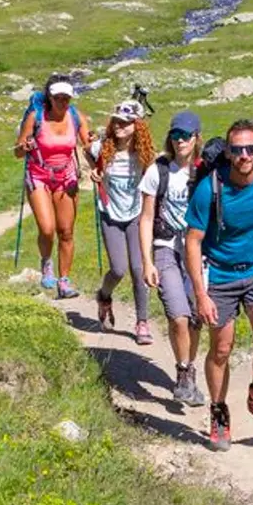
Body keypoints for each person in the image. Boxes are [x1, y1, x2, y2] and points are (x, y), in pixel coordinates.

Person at [183, 119, 253, 452]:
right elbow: (192, 241)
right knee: (221, 349)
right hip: (220, 276)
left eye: (251, 149)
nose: (244, 155)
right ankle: (218, 412)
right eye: (237, 150)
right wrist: (200, 294)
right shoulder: (210, 189)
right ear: (229, 153)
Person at [139, 109, 207, 406]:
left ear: (196, 138)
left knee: (195, 318)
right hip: (166, 246)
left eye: (186, 136)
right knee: (177, 315)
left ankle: (190, 369)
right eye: (175, 135)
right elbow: (145, 218)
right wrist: (147, 261)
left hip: (200, 252)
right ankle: (182, 371)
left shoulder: (206, 172)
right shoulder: (158, 170)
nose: (180, 141)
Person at [14, 74, 91, 299]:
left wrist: (95, 145)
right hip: (38, 175)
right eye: (58, 97)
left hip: (66, 177)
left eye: (66, 97)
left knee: (66, 231)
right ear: (50, 96)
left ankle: (64, 280)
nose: (63, 102)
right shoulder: (35, 117)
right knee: (47, 229)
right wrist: (24, 147)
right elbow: (17, 152)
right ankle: (46, 264)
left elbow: (87, 144)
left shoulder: (76, 116)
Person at [88, 100, 154, 345]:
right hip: (110, 213)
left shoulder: (144, 153)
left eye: (126, 123)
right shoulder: (102, 147)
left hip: (136, 214)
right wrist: (94, 172)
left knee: (139, 269)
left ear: (137, 126)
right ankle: (104, 296)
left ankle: (142, 322)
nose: (119, 126)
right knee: (118, 269)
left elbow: (153, 176)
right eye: (117, 121)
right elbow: (87, 152)